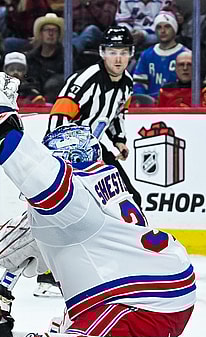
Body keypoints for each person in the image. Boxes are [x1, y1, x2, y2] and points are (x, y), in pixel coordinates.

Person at [0, 74, 196, 337]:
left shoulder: (73, 199)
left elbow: (32, 169)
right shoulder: (105, 179)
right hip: (167, 288)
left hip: (142, 303)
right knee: (67, 323)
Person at [48, 26, 140, 204]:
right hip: (66, 152)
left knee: (130, 197)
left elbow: (117, 114)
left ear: (131, 53)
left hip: (94, 148)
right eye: (112, 52)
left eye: (123, 52)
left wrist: (119, 140)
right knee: (72, 202)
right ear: (102, 53)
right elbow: (58, 116)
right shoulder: (85, 80)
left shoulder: (127, 83)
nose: (118, 59)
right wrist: (63, 154)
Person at [132, 11, 189, 98]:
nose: (163, 31)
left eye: (167, 26)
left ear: (174, 29)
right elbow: (138, 83)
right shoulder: (146, 55)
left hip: (176, 102)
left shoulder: (186, 55)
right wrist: (143, 100)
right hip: (150, 104)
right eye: (159, 27)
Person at [25, 13, 65, 102]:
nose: (51, 34)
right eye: (47, 30)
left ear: (59, 34)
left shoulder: (66, 57)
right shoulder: (31, 57)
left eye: (54, 30)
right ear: (41, 33)